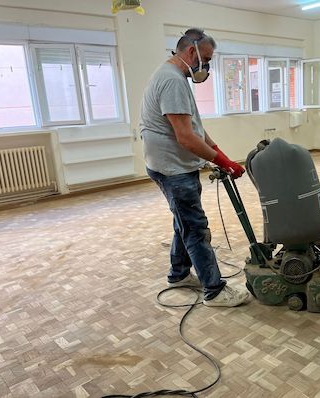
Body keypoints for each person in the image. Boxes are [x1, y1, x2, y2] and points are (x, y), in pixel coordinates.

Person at [140, 28, 249, 307]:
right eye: (207, 59)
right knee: (195, 228)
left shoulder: (174, 77)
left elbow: (195, 128)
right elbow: (186, 138)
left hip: (171, 165)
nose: (207, 66)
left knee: (184, 223)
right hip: (173, 169)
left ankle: (178, 274)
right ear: (191, 52)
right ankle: (214, 290)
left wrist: (220, 153)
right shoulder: (173, 81)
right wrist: (221, 161)